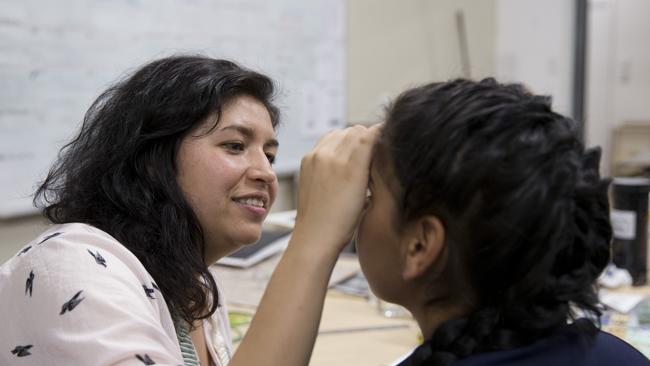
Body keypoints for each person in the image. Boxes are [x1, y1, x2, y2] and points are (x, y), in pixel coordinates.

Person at [0, 55, 380, 366]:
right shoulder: (71, 265)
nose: (266, 172)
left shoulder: (194, 285)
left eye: (270, 155)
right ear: (153, 160)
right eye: (234, 146)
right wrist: (312, 239)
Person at [355, 78, 650, 365]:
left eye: (371, 195)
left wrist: (315, 240)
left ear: (420, 245)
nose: (359, 211)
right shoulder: (620, 356)